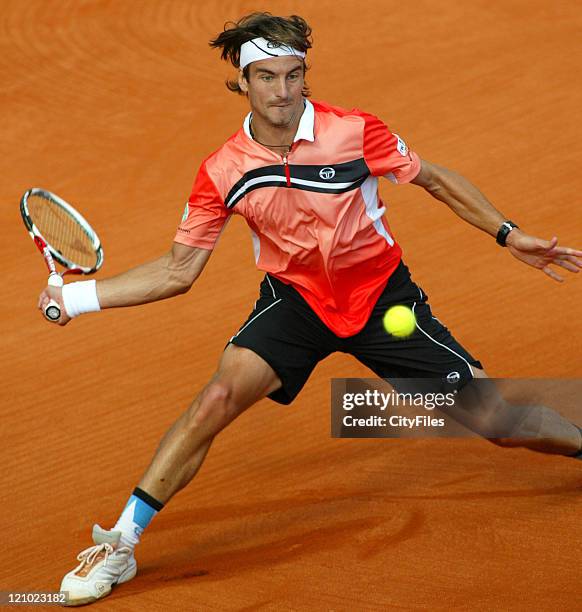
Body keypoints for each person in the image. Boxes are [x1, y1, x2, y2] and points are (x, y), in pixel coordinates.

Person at [39, 13, 582, 607]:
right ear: (242, 82)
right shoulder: (224, 171)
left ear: (305, 76)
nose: (282, 92)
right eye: (267, 77)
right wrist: (80, 297)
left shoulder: (355, 132)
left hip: (381, 299)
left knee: (496, 421)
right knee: (216, 399)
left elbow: (436, 180)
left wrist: (509, 234)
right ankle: (121, 542)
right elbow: (176, 271)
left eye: (294, 75)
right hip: (295, 303)